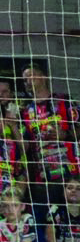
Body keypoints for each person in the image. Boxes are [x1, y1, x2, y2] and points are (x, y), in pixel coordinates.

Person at [20, 59, 78, 215]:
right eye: (25, 79)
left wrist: (65, 134)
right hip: (44, 179)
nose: (27, 81)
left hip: (72, 176)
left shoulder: (64, 101)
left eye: (31, 76)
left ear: (44, 77)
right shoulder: (25, 111)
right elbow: (25, 146)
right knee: (49, 223)